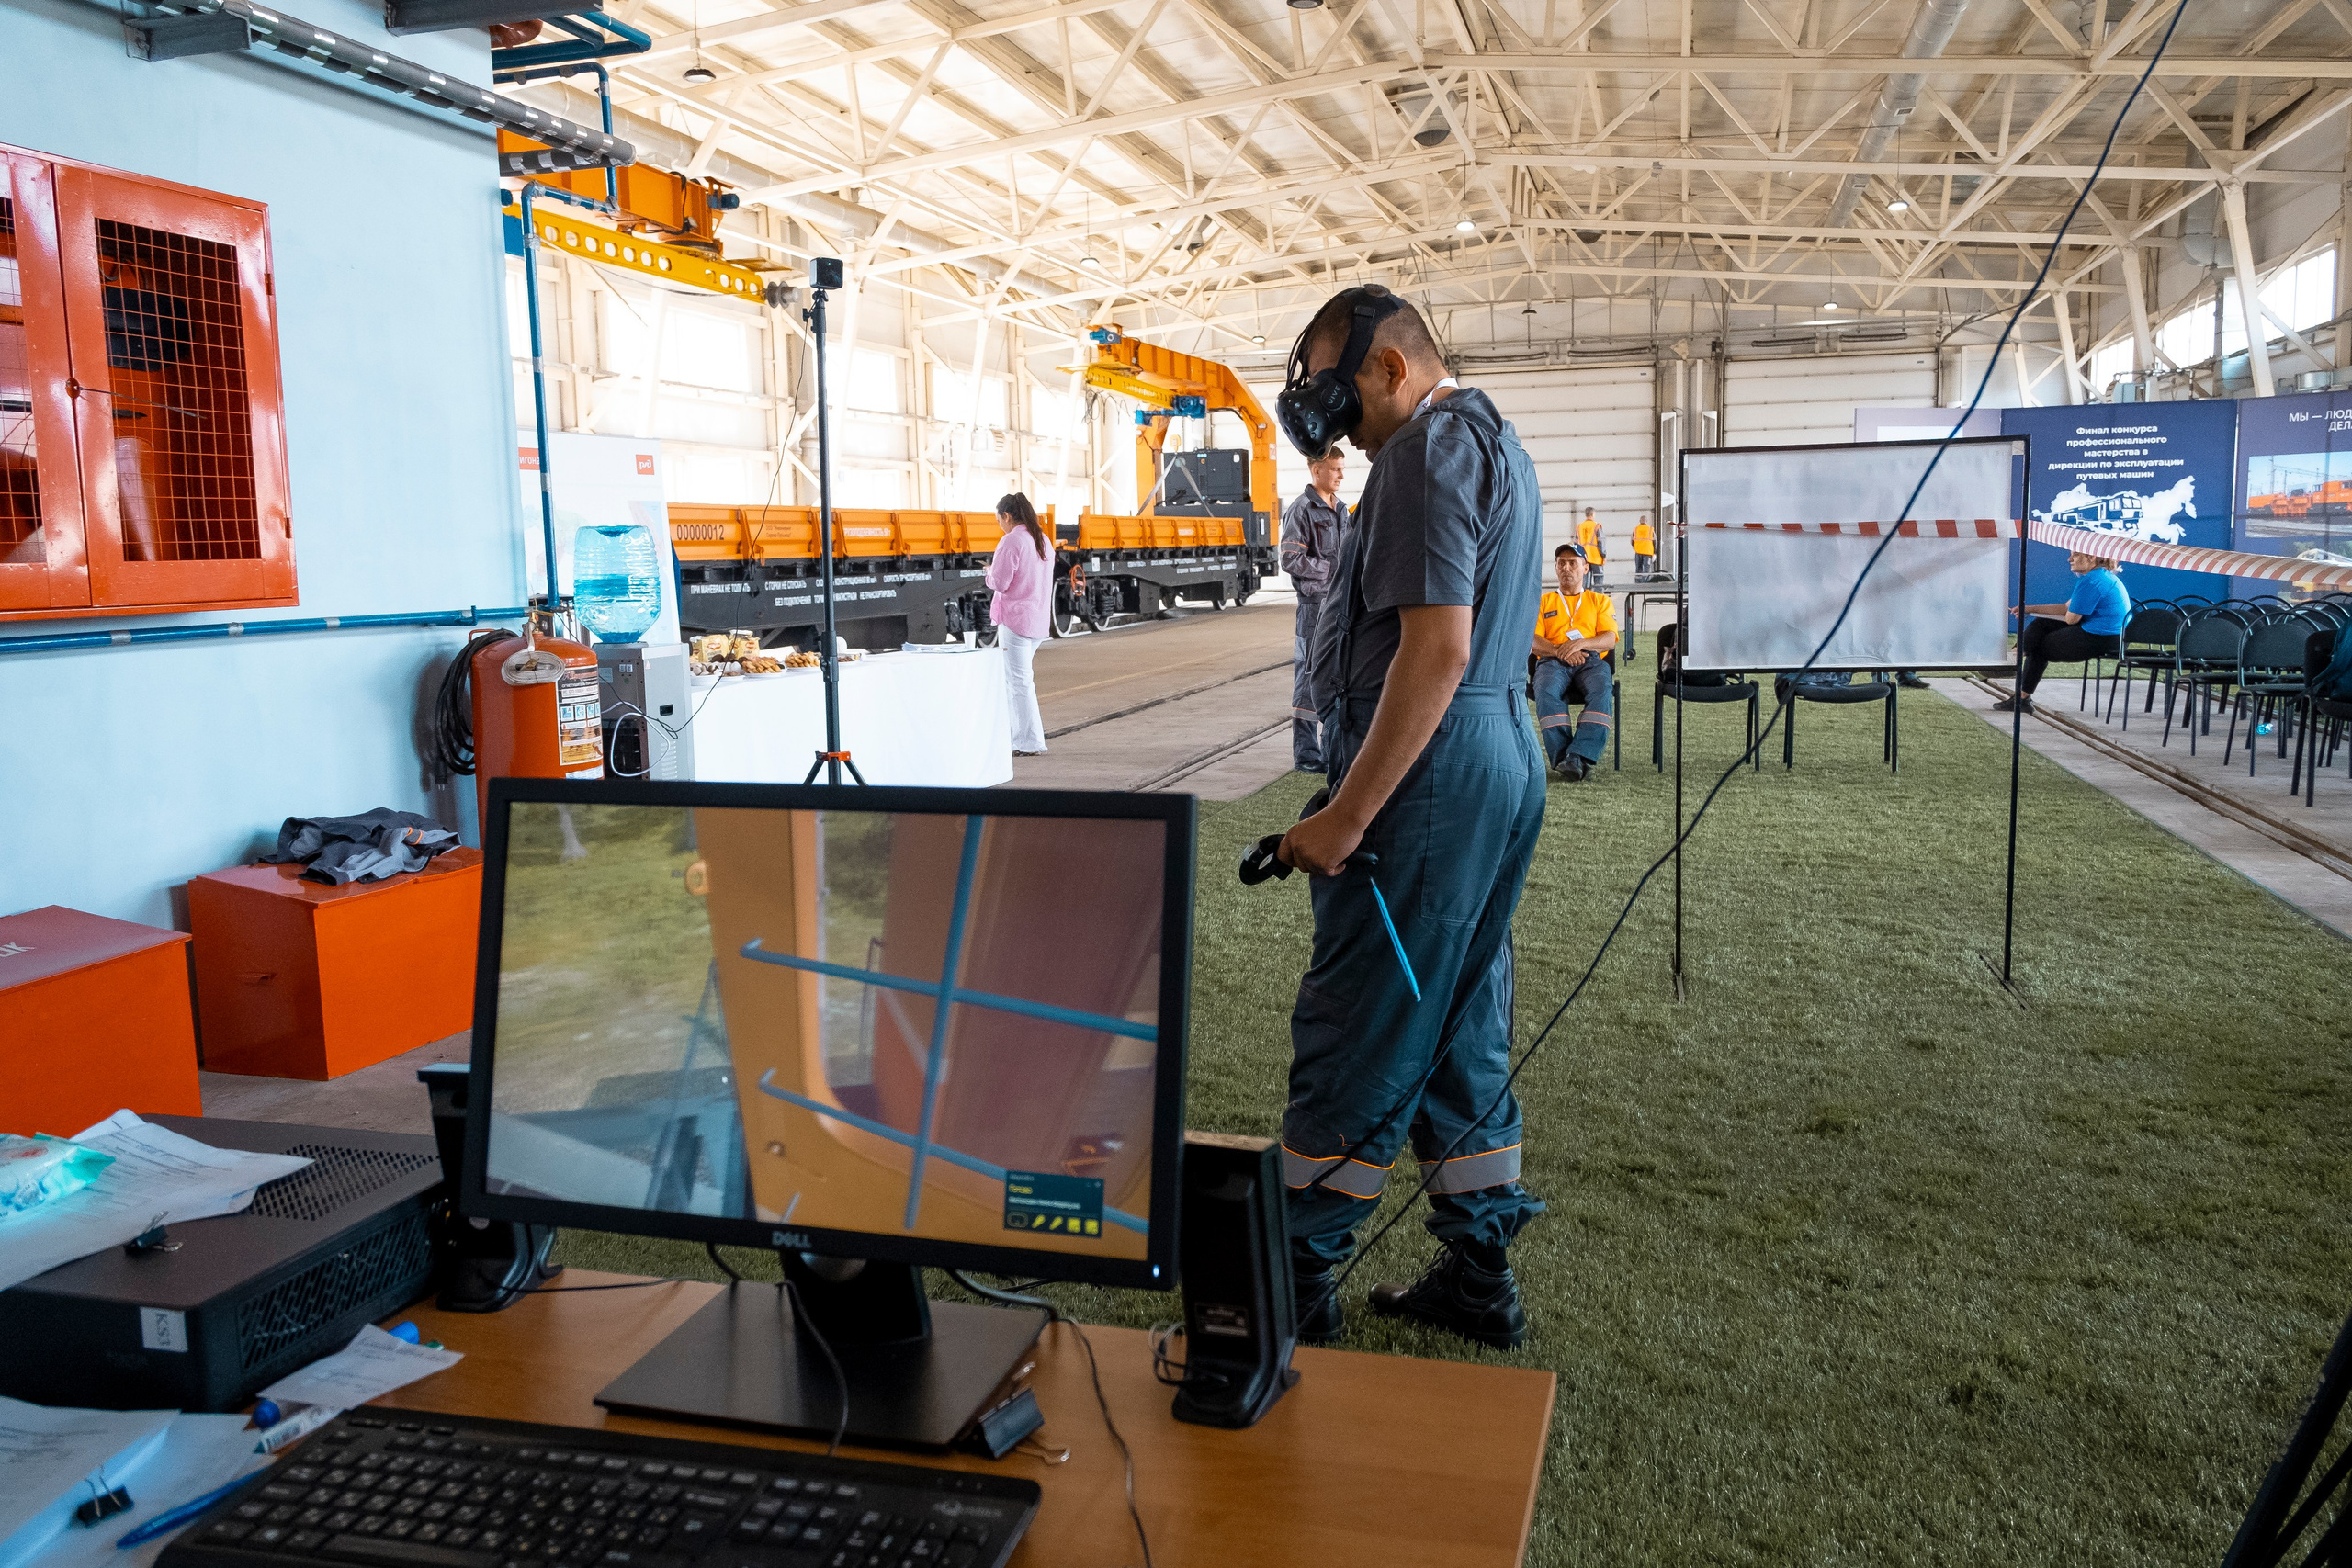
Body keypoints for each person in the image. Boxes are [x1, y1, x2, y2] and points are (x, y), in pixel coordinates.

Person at [1275, 283, 1548, 1351]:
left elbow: (1436, 652)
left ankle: (1293, 1283)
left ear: (1393, 368)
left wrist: (1345, 815)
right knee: (1459, 1021)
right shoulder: (1494, 444)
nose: (1337, 424)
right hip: (1494, 758)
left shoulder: (1427, 454)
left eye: (1343, 396)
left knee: (1365, 1019)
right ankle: (1477, 1275)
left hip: (1431, 775)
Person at [1280, 449, 1349, 772]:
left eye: (1342, 469)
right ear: (1317, 469)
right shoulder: (1302, 510)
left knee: (1338, 675)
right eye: (1335, 469)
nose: (1340, 475)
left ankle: (1332, 748)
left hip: (1339, 605)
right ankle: (1307, 756)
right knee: (1308, 676)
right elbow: (1290, 559)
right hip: (1314, 608)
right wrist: (1332, 570)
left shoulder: (1342, 510)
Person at [1996, 551, 2130, 715]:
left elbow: (2071, 618)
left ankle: (2020, 693)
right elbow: (2066, 608)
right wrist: (2028, 609)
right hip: (2113, 637)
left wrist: (2068, 611)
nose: (2069, 559)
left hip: (2103, 639)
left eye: (2075, 555)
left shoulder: (2092, 581)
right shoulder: (2100, 576)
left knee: (2039, 646)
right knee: (2041, 623)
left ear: (2092, 558)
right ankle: (2016, 657)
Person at [1532, 543, 1617, 781]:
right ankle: (1567, 758)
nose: (1566, 568)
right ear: (1556, 568)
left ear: (1586, 568)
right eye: (1561, 563)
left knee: (1602, 690)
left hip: (1590, 661)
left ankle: (1578, 755)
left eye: (1573, 563)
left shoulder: (1600, 601)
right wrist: (1562, 651)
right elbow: (1532, 640)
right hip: (1551, 660)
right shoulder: (1543, 601)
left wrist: (1579, 644)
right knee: (1545, 691)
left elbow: (1609, 639)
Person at [983, 492, 1054, 754]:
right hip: (1037, 620)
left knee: (1019, 682)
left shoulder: (1011, 540)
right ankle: (1017, 736)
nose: (999, 525)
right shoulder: (1043, 540)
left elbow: (1000, 582)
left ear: (1007, 516)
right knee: (1019, 681)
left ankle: (1028, 741)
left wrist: (989, 573)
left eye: (998, 519)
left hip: (1015, 621)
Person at [1576, 507, 1606, 587]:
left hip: (1584, 559)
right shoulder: (1597, 526)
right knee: (1598, 581)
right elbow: (1601, 542)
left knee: (1584, 582)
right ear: (1593, 514)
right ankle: (1598, 598)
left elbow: (1576, 543)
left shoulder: (1579, 527)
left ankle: (1585, 598)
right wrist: (1604, 555)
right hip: (1596, 558)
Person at [1631, 513, 1655, 579]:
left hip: (1638, 552)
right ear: (1646, 521)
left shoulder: (1635, 529)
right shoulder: (1650, 530)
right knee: (1646, 569)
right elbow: (1655, 541)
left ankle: (1638, 584)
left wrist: (1635, 546)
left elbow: (1632, 541)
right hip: (1648, 552)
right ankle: (1645, 584)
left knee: (1638, 569)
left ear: (1640, 521)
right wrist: (1655, 552)